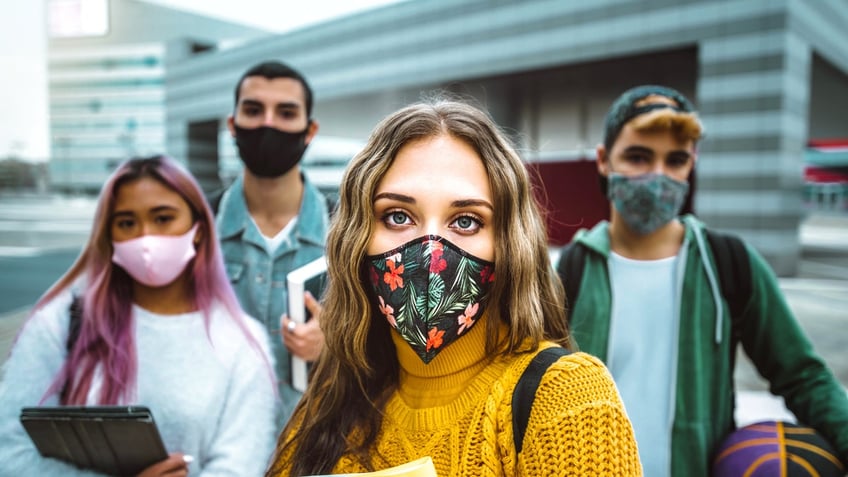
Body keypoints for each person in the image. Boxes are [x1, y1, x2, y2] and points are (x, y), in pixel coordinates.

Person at [265, 98, 642, 476]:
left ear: (508, 243)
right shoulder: (327, 404)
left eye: (465, 221)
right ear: (357, 240)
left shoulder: (564, 399)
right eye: (398, 216)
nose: (431, 252)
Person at [555, 85, 848, 476]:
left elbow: (802, 375)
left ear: (691, 163)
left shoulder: (729, 263)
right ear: (605, 160)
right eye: (638, 156)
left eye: (675, 160)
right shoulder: (573, 269)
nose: (657, 177)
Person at [0, 155, 278, 476]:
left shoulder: (243, 342)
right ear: (109, 235)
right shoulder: (60, 323)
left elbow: (240, 466)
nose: (145, 238)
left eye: (163, 218)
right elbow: (11, 452)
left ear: (199, 229)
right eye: (127, 223)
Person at [216, 60, 329, 425]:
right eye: (253, 110)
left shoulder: (349, 228)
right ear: (232, 125)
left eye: (285, 112)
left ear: (309, 130)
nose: (268, 124)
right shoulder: (195, 226)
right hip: (221, 443)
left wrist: (335, 344)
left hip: (315, 441)